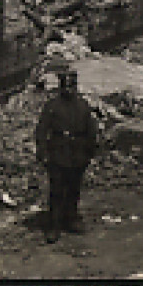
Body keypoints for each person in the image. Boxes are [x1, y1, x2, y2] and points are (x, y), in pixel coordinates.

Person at [34, 64, 98, 243]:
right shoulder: (52, 106)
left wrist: (89, 152)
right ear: (60, 87)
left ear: (76, 87)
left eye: (71, 86)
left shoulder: (83, 106)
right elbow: (41, 130)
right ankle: (54, 225)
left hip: (77, 154)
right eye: (65, 87)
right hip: (58, 153)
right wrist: (43, 152)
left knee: (73, 189)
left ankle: (72, 219)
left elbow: (91, 131)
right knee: (56, 190)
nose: (68, 90)